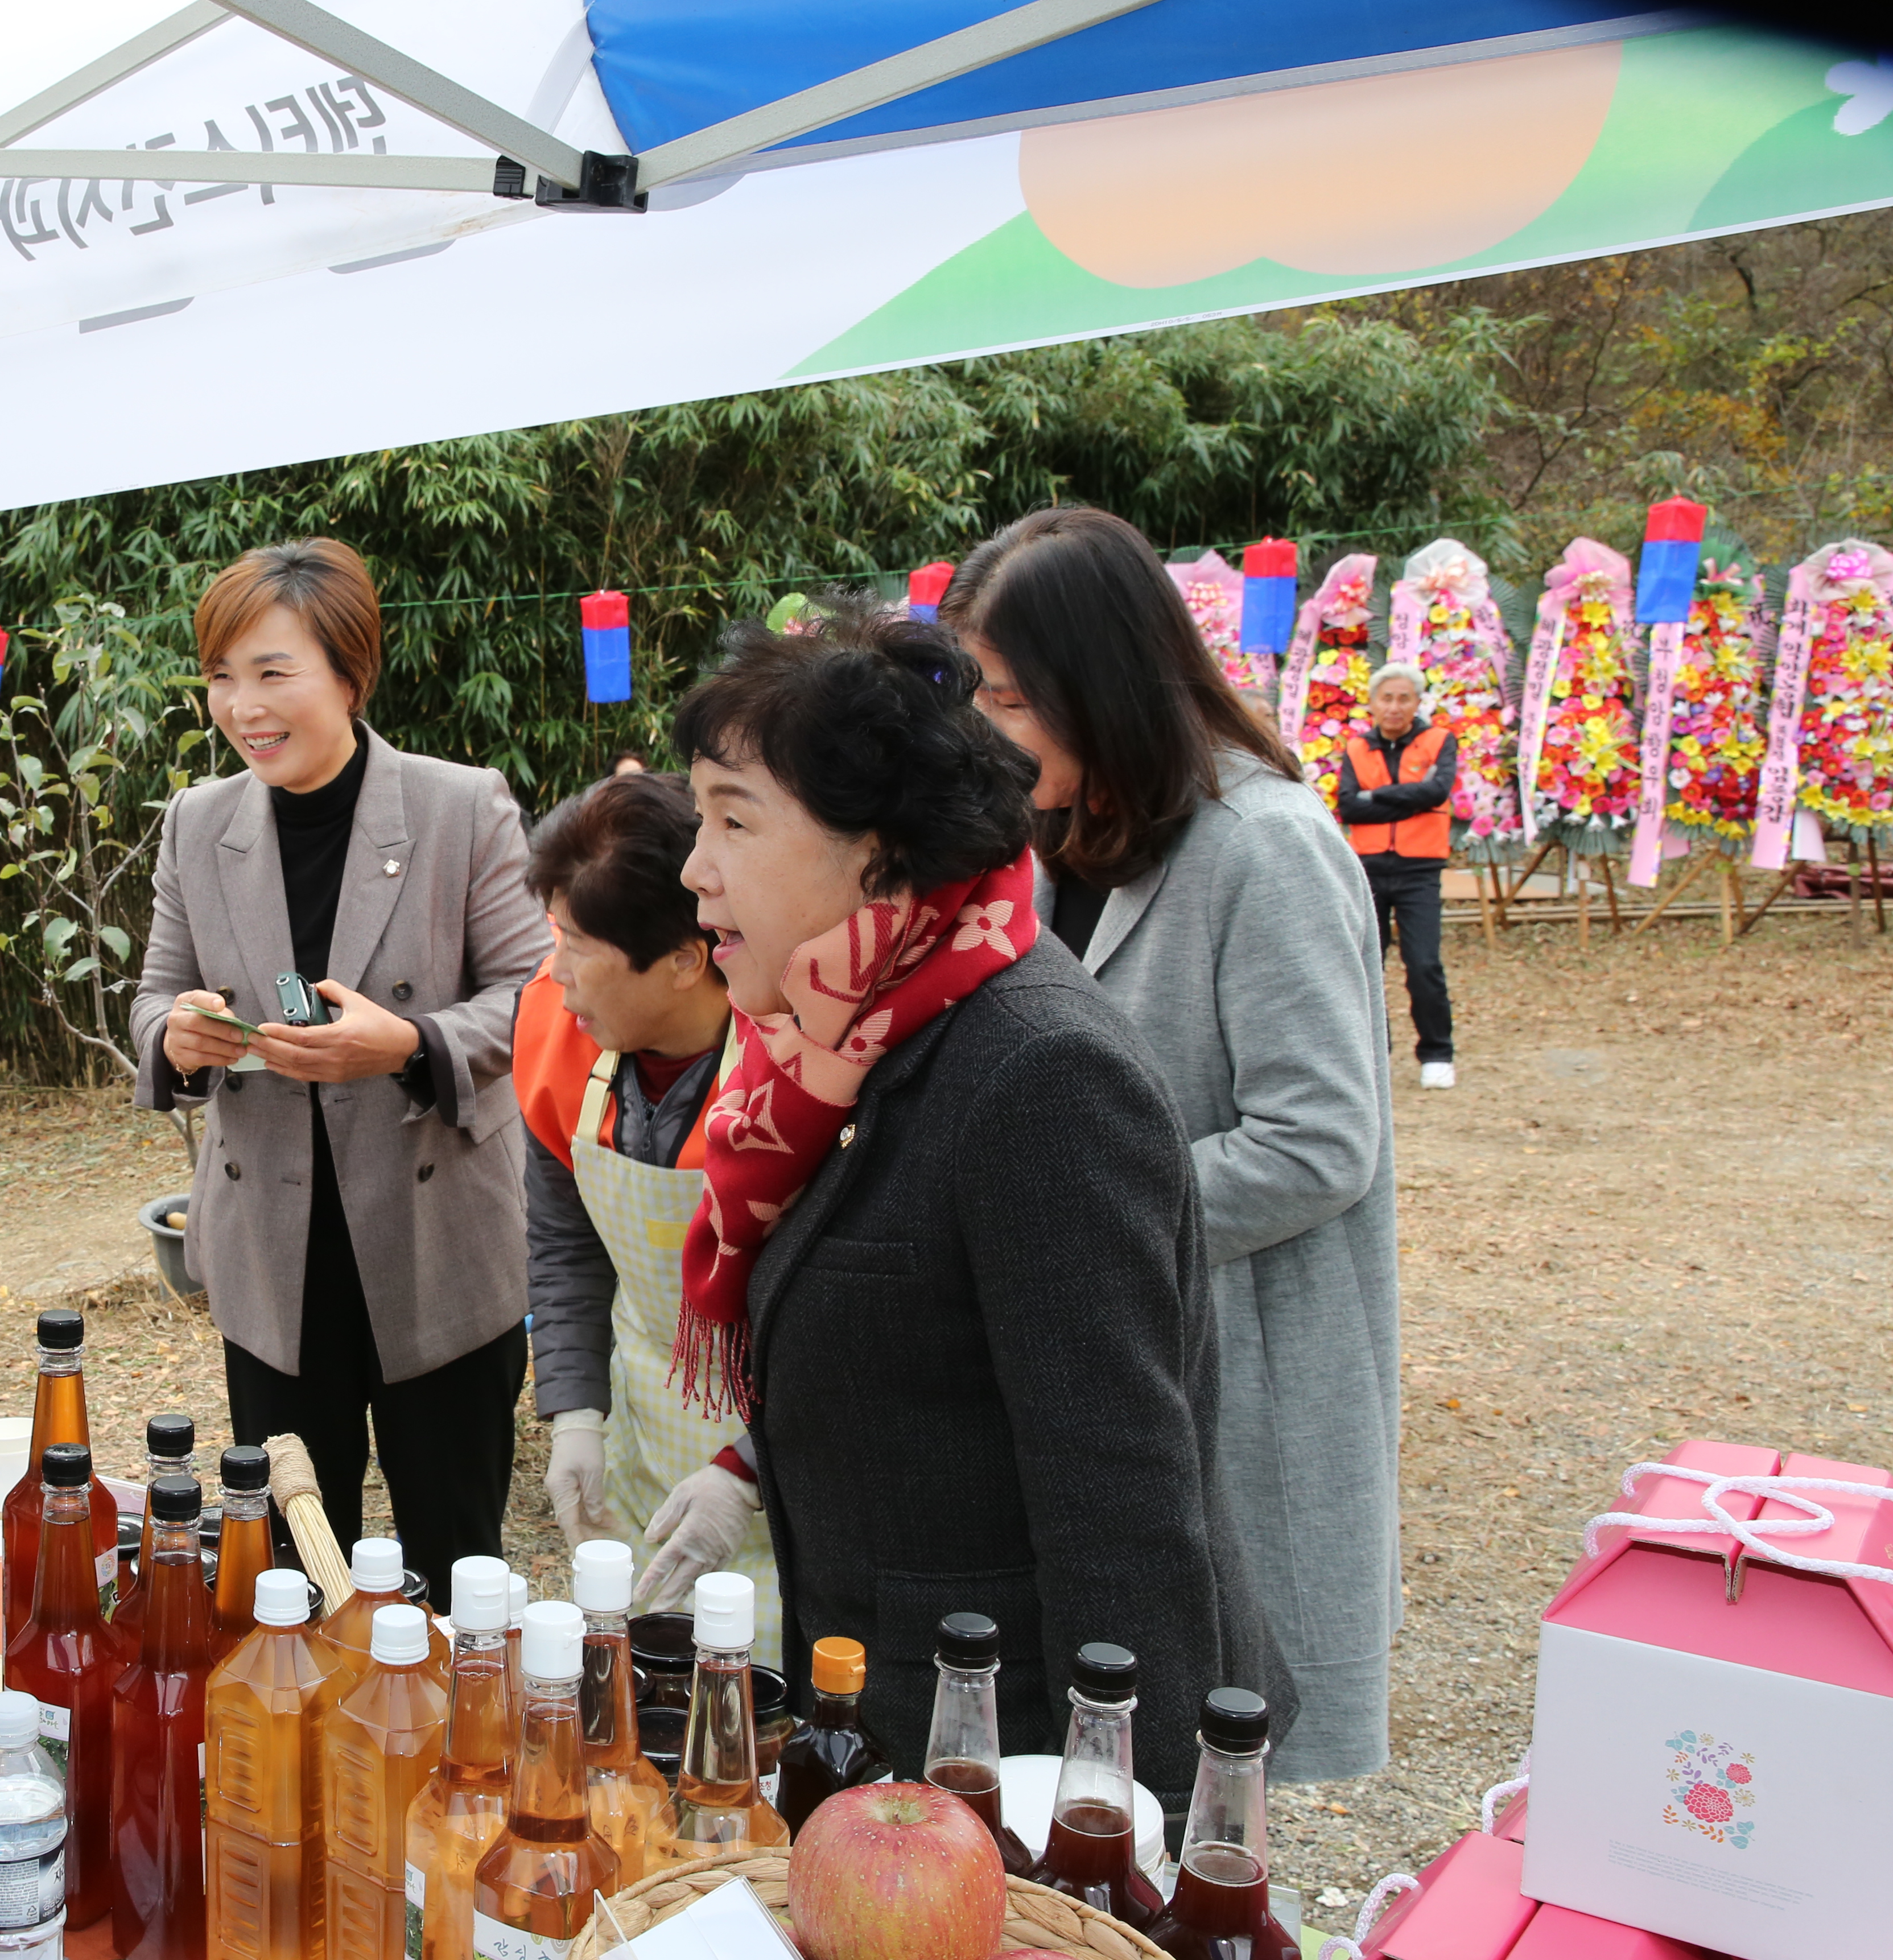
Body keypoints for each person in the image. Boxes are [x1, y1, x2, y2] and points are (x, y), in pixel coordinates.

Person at [669, 603, 1290, 1804]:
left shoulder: (1035, 1073)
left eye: (733, 821)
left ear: (880, 854)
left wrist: (1125, 1838)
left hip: (1009, 1764)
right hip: (891, 1733)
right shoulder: (829, 1039)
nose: (694, 865)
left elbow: (1125, 1508)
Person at [947, 506, 1396, 1782]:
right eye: (980, 697)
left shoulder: (1267, 848)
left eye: (1018, 699)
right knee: (1120, 1739)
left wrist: (1078, 1205)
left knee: (1233, 1763)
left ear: (1112, 682)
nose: (992, 732)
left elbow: (1318, 1145)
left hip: (1246, 1358)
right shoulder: (1049, 843)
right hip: (1118, 1359)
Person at [133, 539, 539, 1606]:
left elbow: (543, 998)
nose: (242, 705)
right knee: (294, 1566)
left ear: (351, 675)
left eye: (274, 672)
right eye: (222, 675)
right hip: (275, 1263)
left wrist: (407, 1047)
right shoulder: (198, 821)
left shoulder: (461, 808)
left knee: (457, 1559)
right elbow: (153, 994)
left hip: (437, 1245)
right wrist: (177, 1036)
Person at [513, 773, 781, 1650]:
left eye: (580, 945)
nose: (556, 971)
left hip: (791, 1446)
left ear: (684, 958)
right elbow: (565, 1244)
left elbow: (852, 1326)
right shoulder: (558, 1029)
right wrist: (576, 1414)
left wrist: (752, 1469)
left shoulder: (801, 1073)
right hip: (642, 1421)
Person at [1338, 663, 1458, 1088]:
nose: (1394, 706)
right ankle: (1374, 1054)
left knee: (1423, 962)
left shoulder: (1439, 741)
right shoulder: (1357, 748)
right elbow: (1349, 806)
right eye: (1386, 698)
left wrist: (1378, 797)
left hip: (1420, 869)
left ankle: (1437, 1053)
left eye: (1403, 697)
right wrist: (1410, 799)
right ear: (1372, 703)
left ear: (1417, 702)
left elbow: (1437, 791)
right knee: (1368, 964)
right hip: (1367, 869)